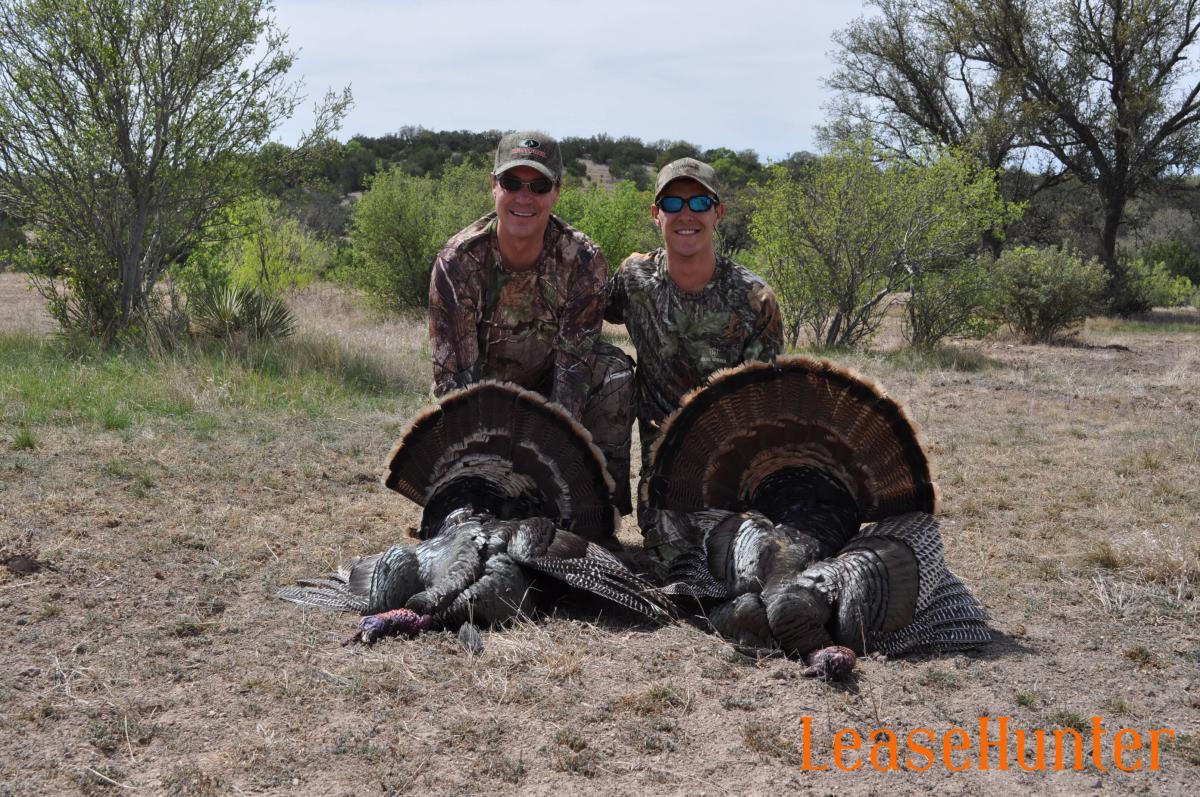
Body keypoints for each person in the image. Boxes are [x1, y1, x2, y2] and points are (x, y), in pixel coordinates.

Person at [428, 131, 634, 513]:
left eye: (539, 185)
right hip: (485, 396)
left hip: (550, 390)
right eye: (512, 183)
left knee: (614, 371)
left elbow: (573, 374)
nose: (524, 197)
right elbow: (455, 382)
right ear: (493, 185)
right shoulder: (458, 262)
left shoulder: (583, 260)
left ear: (557, 191)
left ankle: (599, 512)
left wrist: (545, 468)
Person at [605, 157, 783, 559]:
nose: (686, 214)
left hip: (732, 464)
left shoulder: (755, 299)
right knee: (679, 560)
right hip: (665, 470)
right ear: (656, 215)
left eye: (700, 203)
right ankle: (599, 512)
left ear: (718, 213)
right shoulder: (634, 279)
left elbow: (766, 407)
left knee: (753, 558)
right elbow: (584, 310)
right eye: (673, 204)